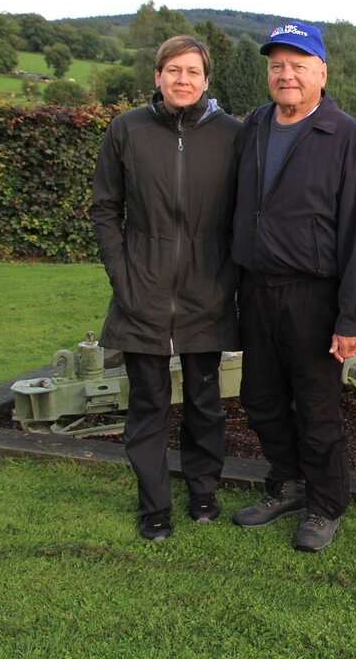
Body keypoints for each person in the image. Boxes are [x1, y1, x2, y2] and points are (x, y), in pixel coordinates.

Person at [230, 22, 356, 552]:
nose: (286, 74)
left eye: (298, 64)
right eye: (277, 65)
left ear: (322, 71)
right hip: (257, 289)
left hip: (314, 296)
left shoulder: (345, 136)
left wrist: (352, 317)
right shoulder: (254, 126)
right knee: (261, 398)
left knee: (316, 407)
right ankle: (288, 484)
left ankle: (325, 504)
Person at [90, 35, 243, 542]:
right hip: (143, 291)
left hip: (208, 291)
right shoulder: (127, 130)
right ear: (157, 76)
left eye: (193, 72)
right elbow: (105, 209)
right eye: (173, 70)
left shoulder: (231, 134)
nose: (183, 80)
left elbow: (246, 213)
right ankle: (154, 506)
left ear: (206, 79)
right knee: (149, 404)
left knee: (204, 401)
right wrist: (123, 274)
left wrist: (228, 277)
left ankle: (203, 491)